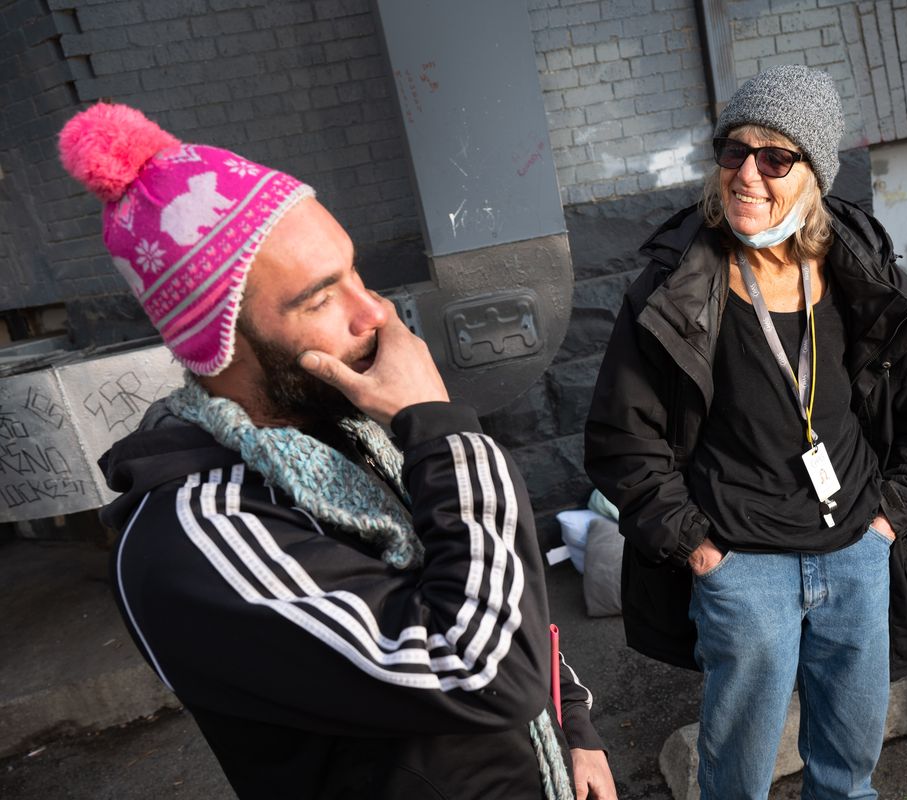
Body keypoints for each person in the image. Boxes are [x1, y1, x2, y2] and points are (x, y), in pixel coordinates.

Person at [60, 103, 617, 800]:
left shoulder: (346, 433)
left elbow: (493, 581)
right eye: (322, 297)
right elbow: (484, 670)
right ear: (218, 340)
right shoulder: (197, 543)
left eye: (355, 272)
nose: (374, 313)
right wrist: (445, 431)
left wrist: (575, 729)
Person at [583, 65, 907, 800]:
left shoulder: (861, 269)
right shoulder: (676, 285)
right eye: (735, 151)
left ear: (814, 175)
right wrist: (702, 554)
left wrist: (889, 521)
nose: (748, 175)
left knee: (849, 773)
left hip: (857, 551)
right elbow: (621, 440)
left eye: (775, 157)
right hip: (742, 566)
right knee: (737, 782)